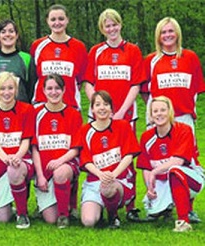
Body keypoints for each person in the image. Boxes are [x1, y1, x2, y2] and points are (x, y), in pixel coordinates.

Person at [84, 8, 146, 222]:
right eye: (107, 26)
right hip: (99, 114)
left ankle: (131, 206)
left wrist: (119, 112)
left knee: (127, 157)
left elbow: (136, 84)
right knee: (101, 154)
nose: (111, 29)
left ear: (120, 25)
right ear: (102, 29)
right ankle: (102, 198)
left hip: (124, 114)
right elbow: (88, 83)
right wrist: (98, 107)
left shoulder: (132, 50)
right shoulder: (96, 51)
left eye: (114, 24)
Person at [141, 17, 205, 223]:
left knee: (187, 163)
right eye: (163, 32)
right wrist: (157, 113)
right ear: (158, 36)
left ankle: (188, 208)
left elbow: (196, 89)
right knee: (157, 158)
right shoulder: (151, 60)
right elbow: (145, 92)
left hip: (183, 118)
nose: (167, 35)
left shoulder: (190, 57)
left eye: (171, 31)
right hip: (158, 119)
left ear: (177, 33)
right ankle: (160, 200)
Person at [137, 96, 204, 232]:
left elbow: (178, 161)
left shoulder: (184, 130)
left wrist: (155, 172)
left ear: (170, 112)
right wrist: (150, 188)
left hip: (192, 178)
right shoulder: (146, 137)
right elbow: (146, 167)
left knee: (174, 170)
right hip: (164, 181)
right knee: (153, 210)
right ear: (150, 115)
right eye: (155, 111)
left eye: (163, 110)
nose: (159, 114)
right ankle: (166, 208)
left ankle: (183, 221)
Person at [79, 90, 140, 229]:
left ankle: (113, 216)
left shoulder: (123, 126)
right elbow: (86, 160)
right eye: (98, 104)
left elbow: (128, 155)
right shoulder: (85, 131)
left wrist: (113, 174)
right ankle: (99, 209)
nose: (102, 108)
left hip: (118, 180)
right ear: (92, 109)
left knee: (108, 187)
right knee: (88, 221)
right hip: (95, 180)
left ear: (111, 108)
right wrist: (101, 174)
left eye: (106, 104)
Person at [0, 71, 35, 229]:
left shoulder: (27, 109)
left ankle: (22, 214)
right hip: (1, 161)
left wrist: (16, 156)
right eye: (2, 88)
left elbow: (26, 140)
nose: (7, 92)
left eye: (10, 88)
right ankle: (11, 200)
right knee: (2, 218)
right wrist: (5, 157)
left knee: (14, 169)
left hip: (22, 160)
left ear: (16, 90)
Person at [32, 74, 82, 229]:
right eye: (50, 88)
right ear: (43, 91)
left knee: (60, 173)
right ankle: (59, 205)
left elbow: (75, 148)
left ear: (64, 90)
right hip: (45, 169)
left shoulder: (73, 113)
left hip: (66, 164)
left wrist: (60, 161)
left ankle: (64, 215)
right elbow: (34, 147)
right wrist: (40, 176)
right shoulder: (36, 113)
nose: (54, 92)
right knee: (49, 218)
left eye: (57, 88)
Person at [30, 4, 88, 110]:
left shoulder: (79, 47)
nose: (57, 23)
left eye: (61, 19)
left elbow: (80, 80)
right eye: (53, 19)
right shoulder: (37, 45)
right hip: (42, 105)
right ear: (47, 21)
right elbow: (34, 76)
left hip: (70, 105)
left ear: (67, 20)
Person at [0, 19, 36, 106]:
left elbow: (31, 89)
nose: (7, 34)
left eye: (11, 31)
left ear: (17, 35)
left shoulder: (27, 59)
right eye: (3, 32)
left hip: (18, 114)